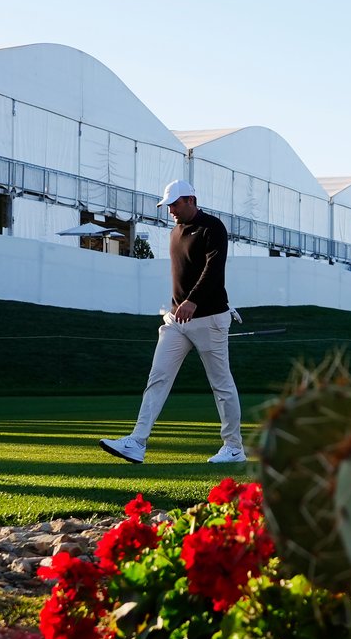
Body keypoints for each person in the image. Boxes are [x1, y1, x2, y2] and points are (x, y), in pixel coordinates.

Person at [99, 180, 246, 464]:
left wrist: (193, 300)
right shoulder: (174, 232)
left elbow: (213, 268)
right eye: (168, 206)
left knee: (221, 384)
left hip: (210, 319)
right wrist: (178, 305)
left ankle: (234, 447)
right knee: (158, 378)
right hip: (177, 320)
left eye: (175, 204)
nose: (171, 211)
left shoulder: (212, 227)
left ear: (191, 199)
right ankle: (137, 442)